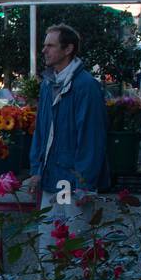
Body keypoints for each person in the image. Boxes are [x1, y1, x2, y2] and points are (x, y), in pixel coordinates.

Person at [26, 25, 110, 251]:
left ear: (68, 49)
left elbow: (92, 139)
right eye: (44, 45)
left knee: (73, 242)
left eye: (50, 45)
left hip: (70, 180)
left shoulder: (86, 86)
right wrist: (36, 169)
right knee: (48, 240)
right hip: (52, 176)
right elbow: (41, 130)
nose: (44, 50)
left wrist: (85, 184)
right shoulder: (47, 84)